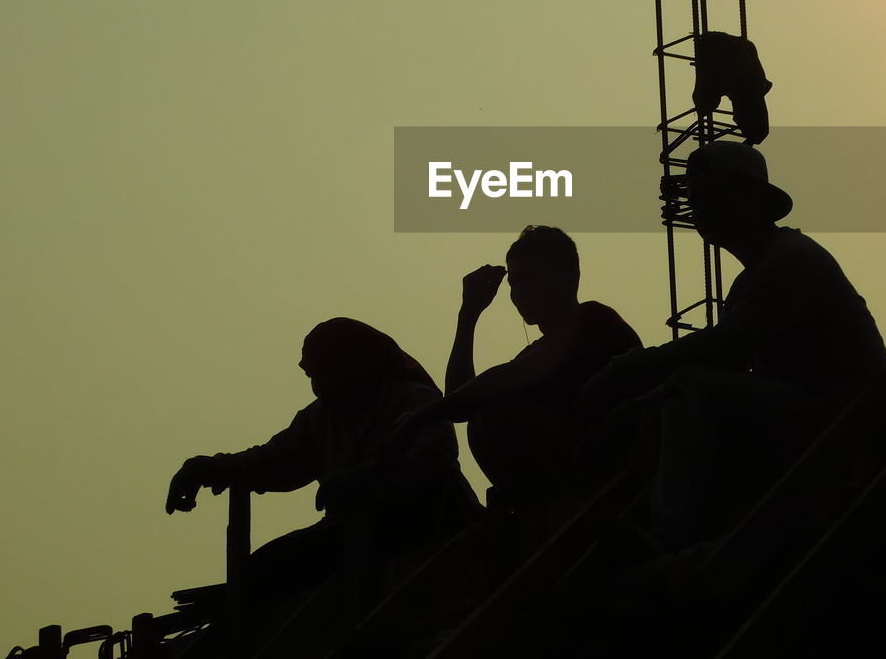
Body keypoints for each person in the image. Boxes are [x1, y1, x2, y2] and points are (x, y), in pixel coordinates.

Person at [580, 140, 886, 547]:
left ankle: (670, 534)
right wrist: (642, 402)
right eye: (696, 199)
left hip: (841, 420)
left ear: (753, 199)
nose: (702, 211)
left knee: (691, 385)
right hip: (813, 416)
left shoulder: (792, 260)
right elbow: (732, 367)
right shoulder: (755, 275)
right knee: (667, 402)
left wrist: (630, 369)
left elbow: (727, 348)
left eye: (713, 195)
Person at [165, 317, 480, 607]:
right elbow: (272, 461)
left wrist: (365, 478)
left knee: (292, 563)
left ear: (360, 363)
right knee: (266, 566)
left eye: (328, 371)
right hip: (347, 534)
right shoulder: (318, 420)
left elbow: (433, 454)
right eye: (313, 375)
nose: (320, 385)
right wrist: (208, 468)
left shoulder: (411, 398)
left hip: (425, 524)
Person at [395, 226, 641, 504]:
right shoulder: (535, 352)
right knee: (485, 418)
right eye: (515, 283)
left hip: (611, 468)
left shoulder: (593, 319)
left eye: (532, 278)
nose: (521, 292)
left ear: (569, 276)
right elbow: (461, 403)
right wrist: (469, 314)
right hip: (573, 470)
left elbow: (504, 380)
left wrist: (420, 417)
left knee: (494, 418)